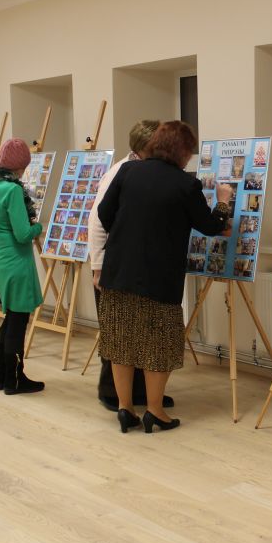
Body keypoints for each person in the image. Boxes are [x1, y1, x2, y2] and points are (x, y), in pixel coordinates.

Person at [96, 120, 232, 433]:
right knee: (158, 344)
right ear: (182, 151)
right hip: (159, 278)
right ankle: (155, 411)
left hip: (119, 272)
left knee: (121, 341)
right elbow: (211, 226)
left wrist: (129, 231)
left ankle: (125, 408)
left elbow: (104, 214)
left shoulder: (127, 172)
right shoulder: (185, 184)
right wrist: (223, 200)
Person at [87, 119, 173, 413]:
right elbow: (97, 223)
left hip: (131, 265)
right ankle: (111, 392)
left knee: (138, 332)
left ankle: (139, 394)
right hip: (112, 266)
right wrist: (98, 267)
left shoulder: (143, 170)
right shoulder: (119, 172)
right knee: (117, 333)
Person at [0, 138, 45, 395]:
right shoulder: (12, 190)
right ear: (19, 166)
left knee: (9, 318)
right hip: (17, 261)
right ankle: (15, 379)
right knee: (17, 321)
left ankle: (1, 376)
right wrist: (39, 226)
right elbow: (23, 234)